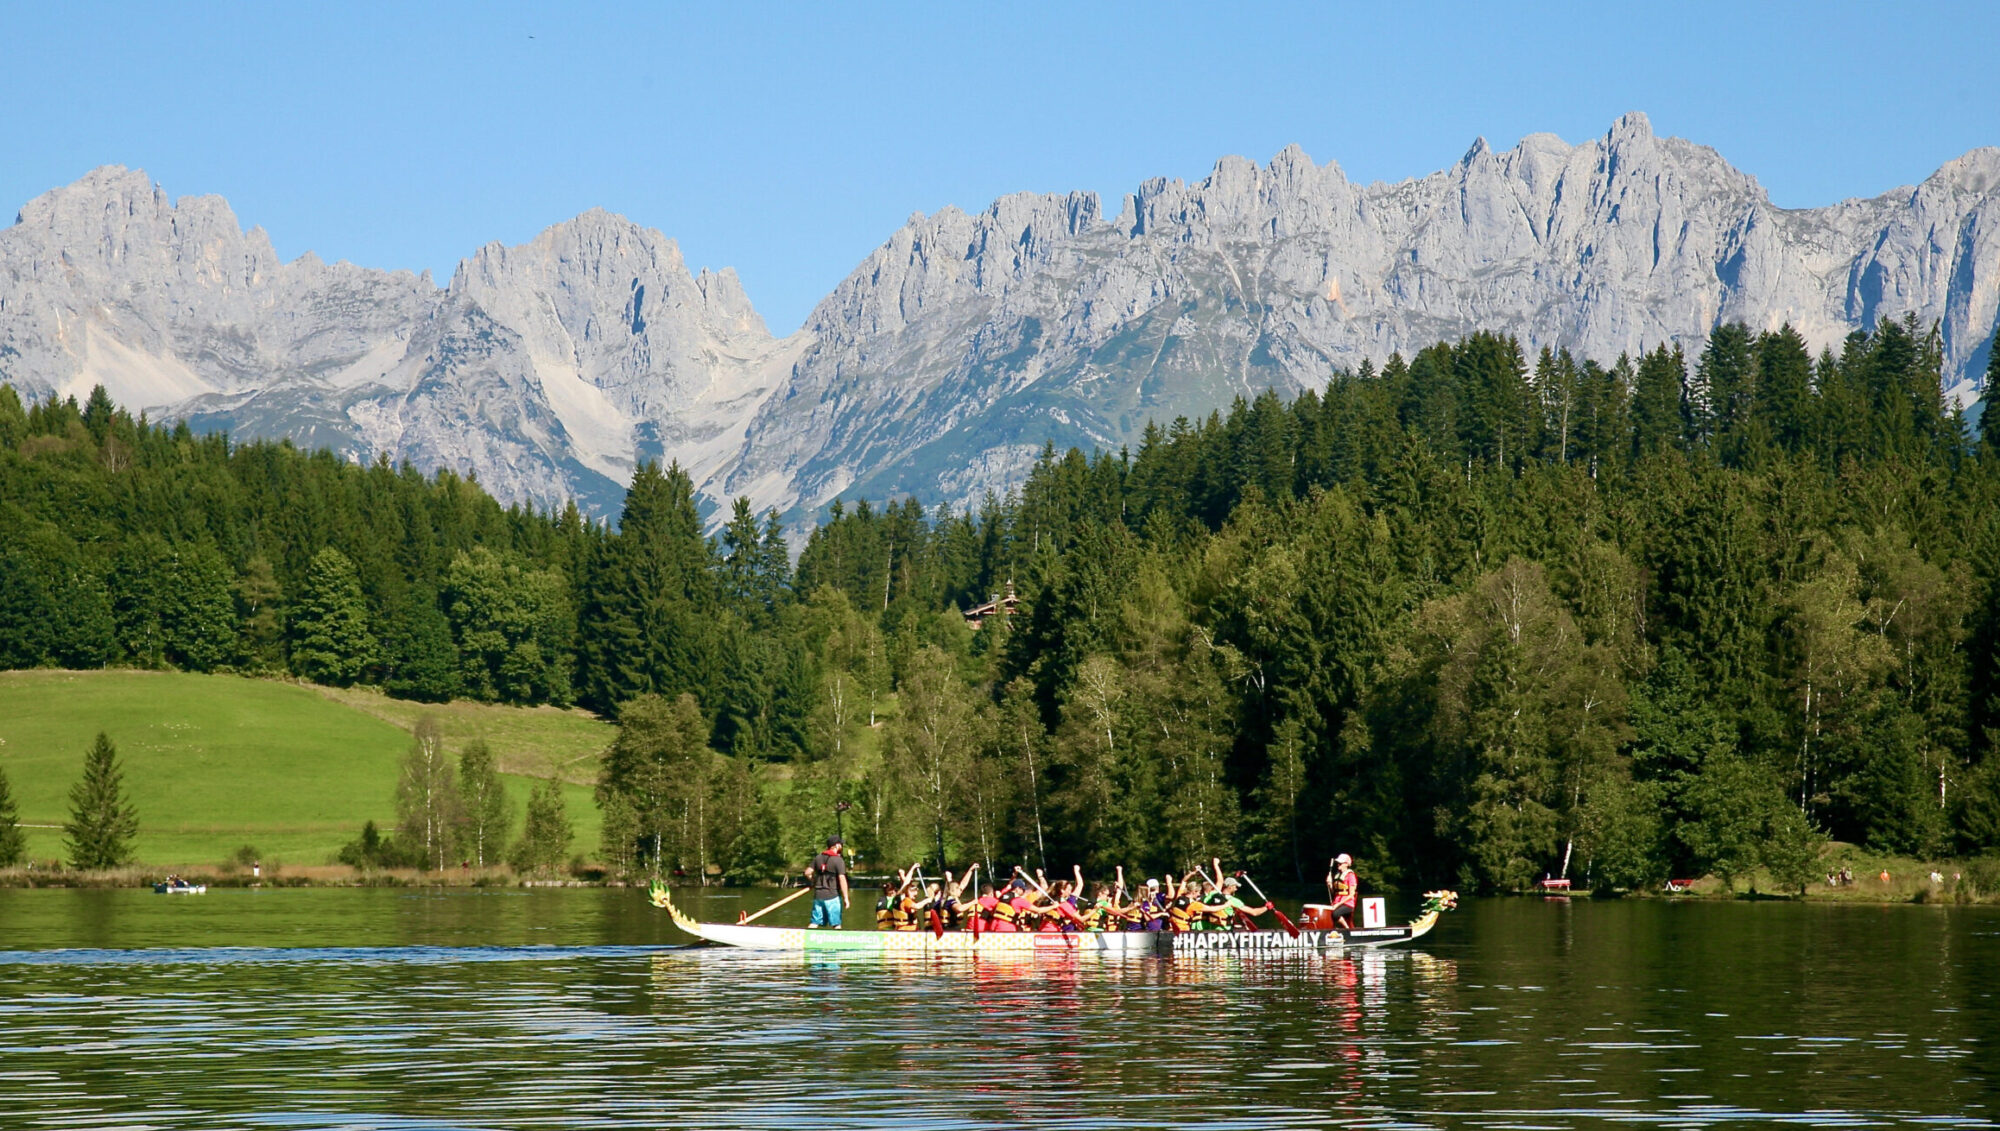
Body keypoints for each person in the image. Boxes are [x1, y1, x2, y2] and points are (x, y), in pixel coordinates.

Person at [805, 836, 851, 929]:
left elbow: (807, 872)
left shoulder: (818, 857)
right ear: (836, 846)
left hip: (818, 895)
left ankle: (806, 938)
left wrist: (814, 881)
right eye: (841, 844)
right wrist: (846, 898)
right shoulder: (838, 860)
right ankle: (838, 941)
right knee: (836, 923)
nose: (842, 846)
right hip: (832, 896)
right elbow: (842, 879)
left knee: (814, 922)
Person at [1327, 853, 1359, 930]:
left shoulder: (1350, 876)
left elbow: (1351, 894)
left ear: (1346, 864)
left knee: (1335, 914)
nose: (1338, 865)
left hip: (1348, 904)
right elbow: (1333, 892)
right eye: (1338, 863)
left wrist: (1337, 905)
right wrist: (1330, 884)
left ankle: (1347, 929)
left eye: (1340, 863)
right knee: (1327, 913)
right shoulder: (1338, 875)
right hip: (1337, 903)